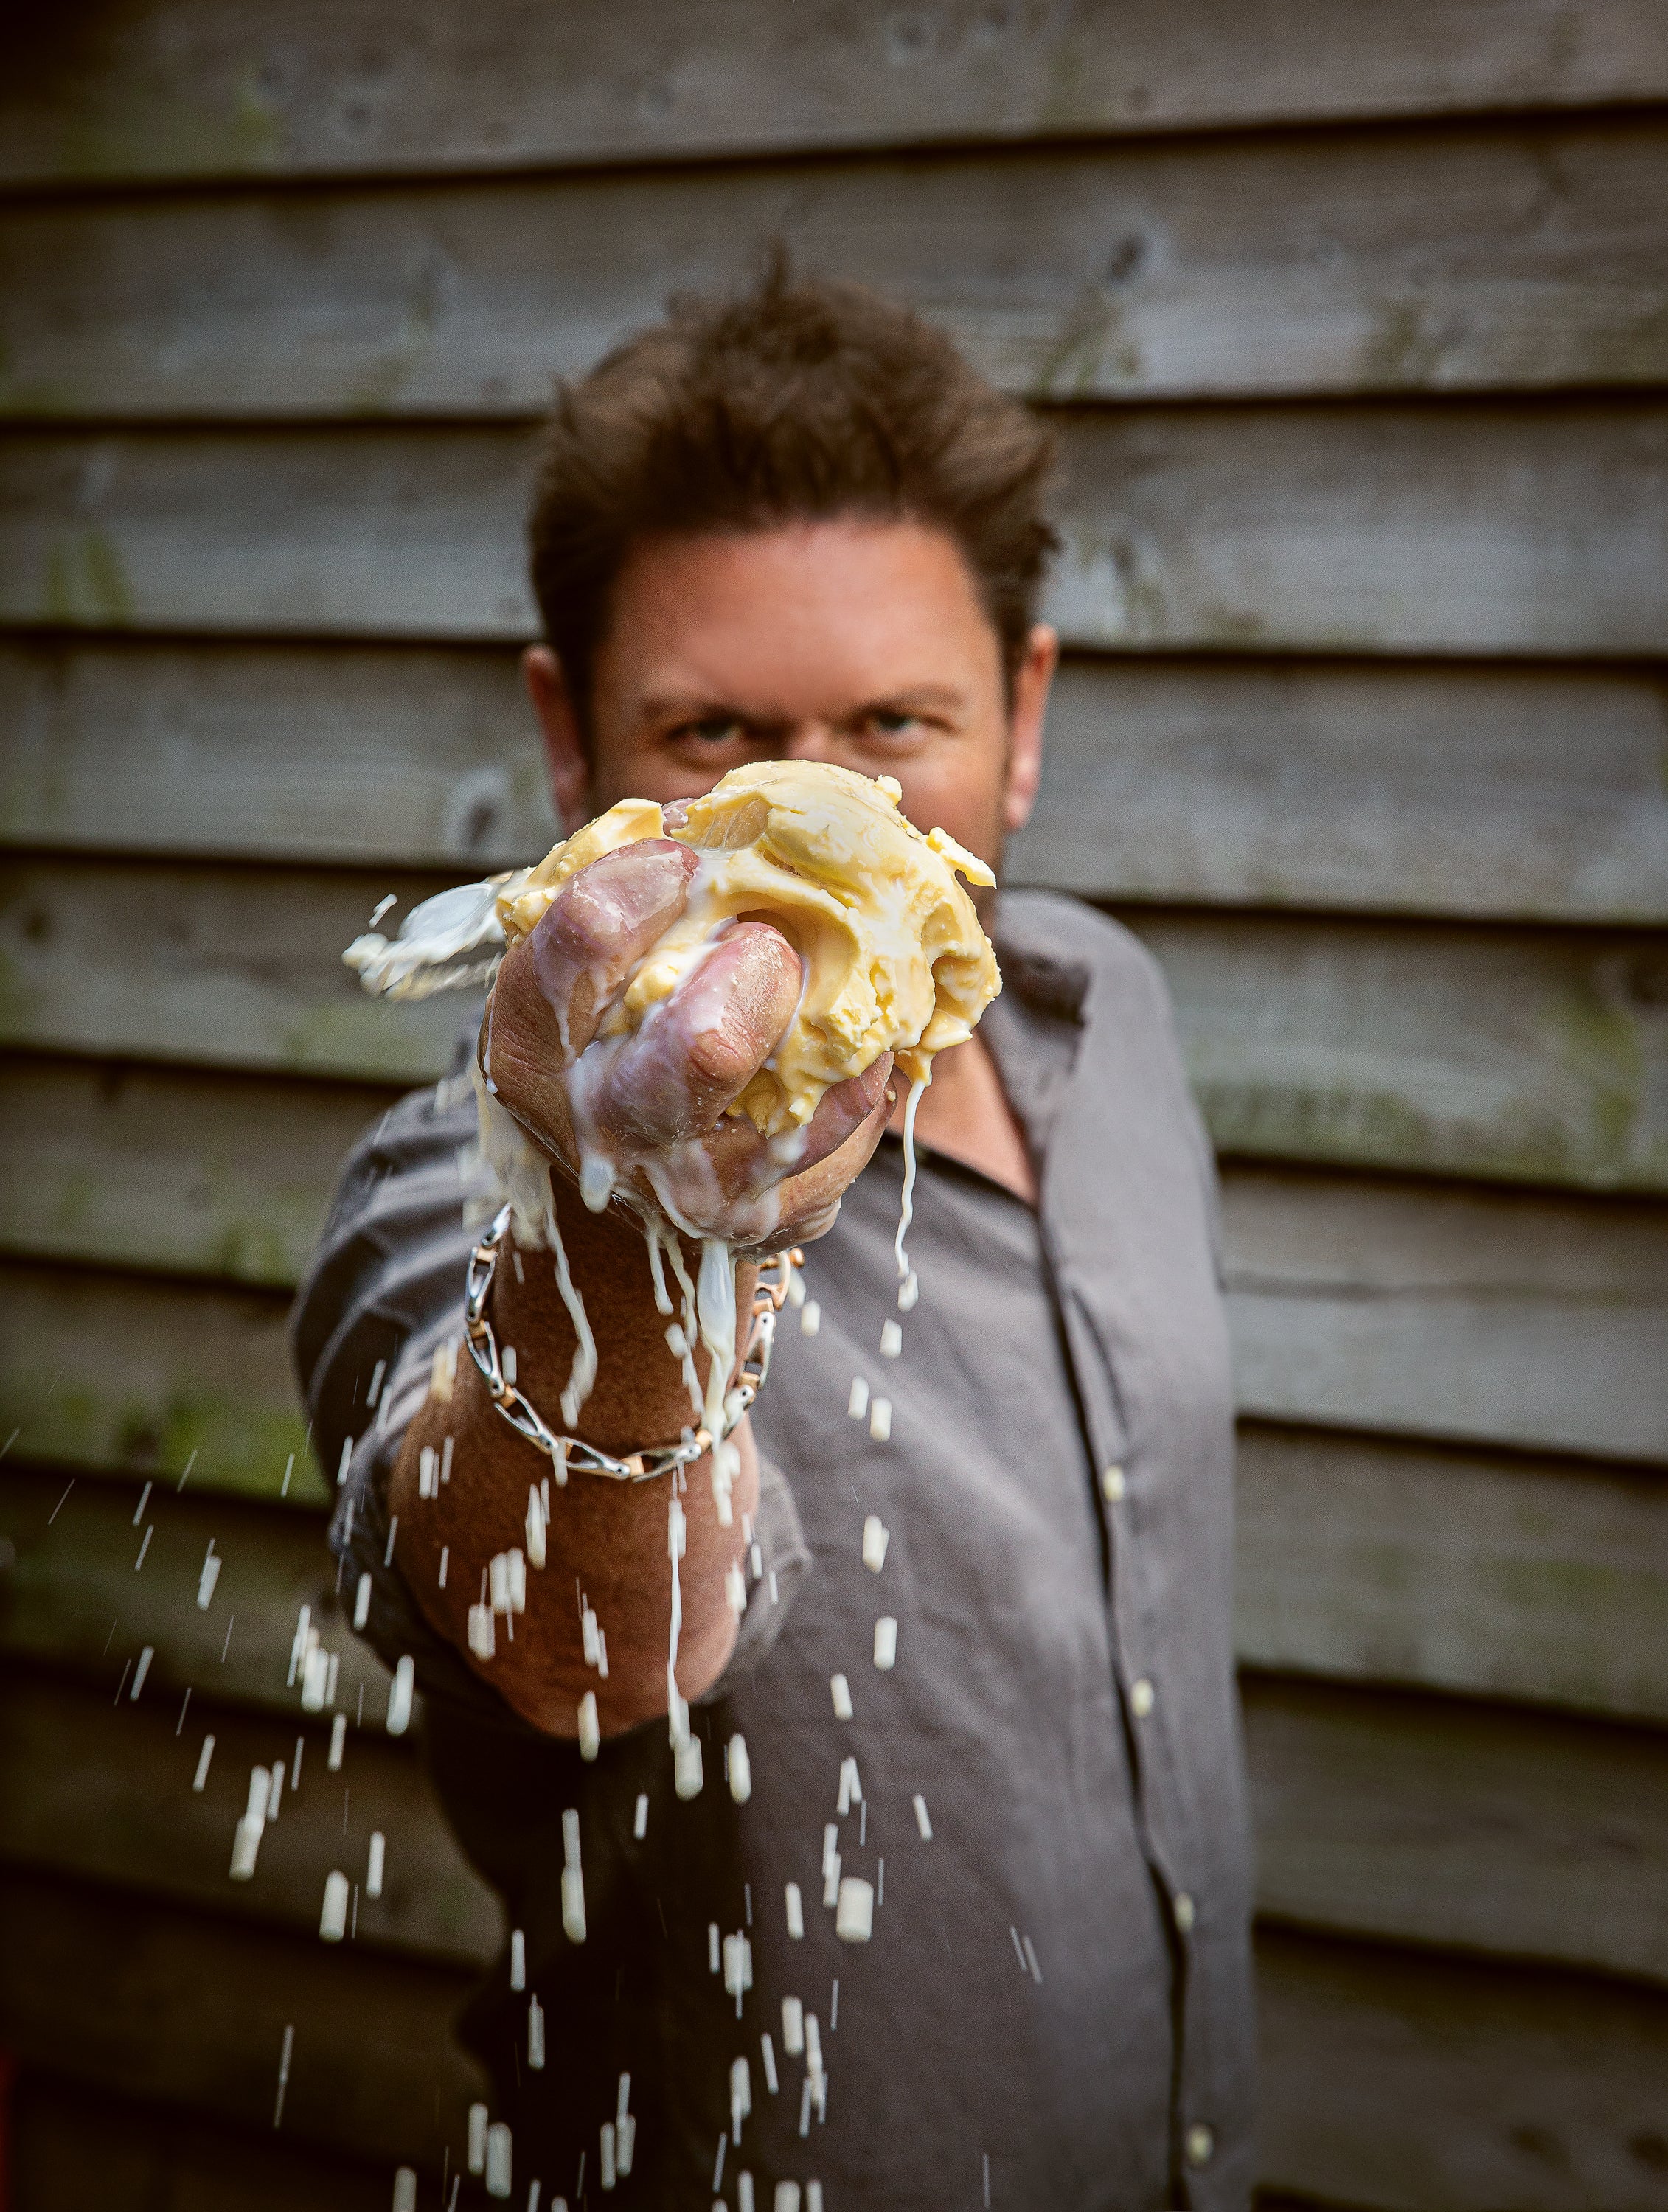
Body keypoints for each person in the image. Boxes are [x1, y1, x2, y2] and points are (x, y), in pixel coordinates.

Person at [293, 267, 1253, 2209]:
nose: (826, 815)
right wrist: (621, 1260)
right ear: (569, 740)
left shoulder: (1103, 1009)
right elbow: (564, 1635)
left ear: (1027, 712)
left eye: (896, 724)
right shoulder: (468, 1184)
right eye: (717, 734)